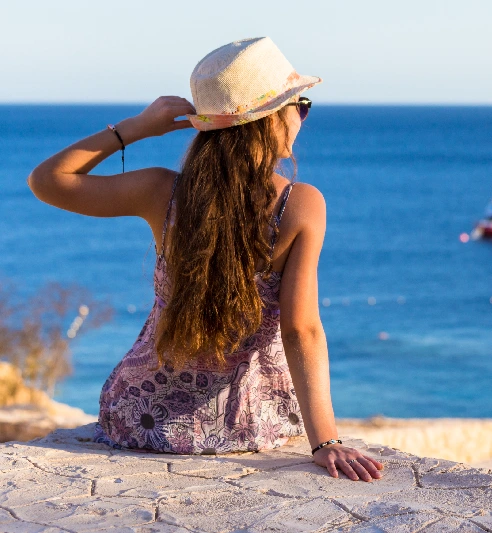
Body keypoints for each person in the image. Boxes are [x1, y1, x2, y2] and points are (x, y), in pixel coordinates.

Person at [26, 37, 383, 482]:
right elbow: (301, 328)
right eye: (300, 104)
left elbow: (47, 180)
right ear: (269, 120)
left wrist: (135, 128)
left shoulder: (161, 192)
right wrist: (326, 441)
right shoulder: (300, 204)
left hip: (139, 417)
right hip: (245, 423)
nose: (302, 118)